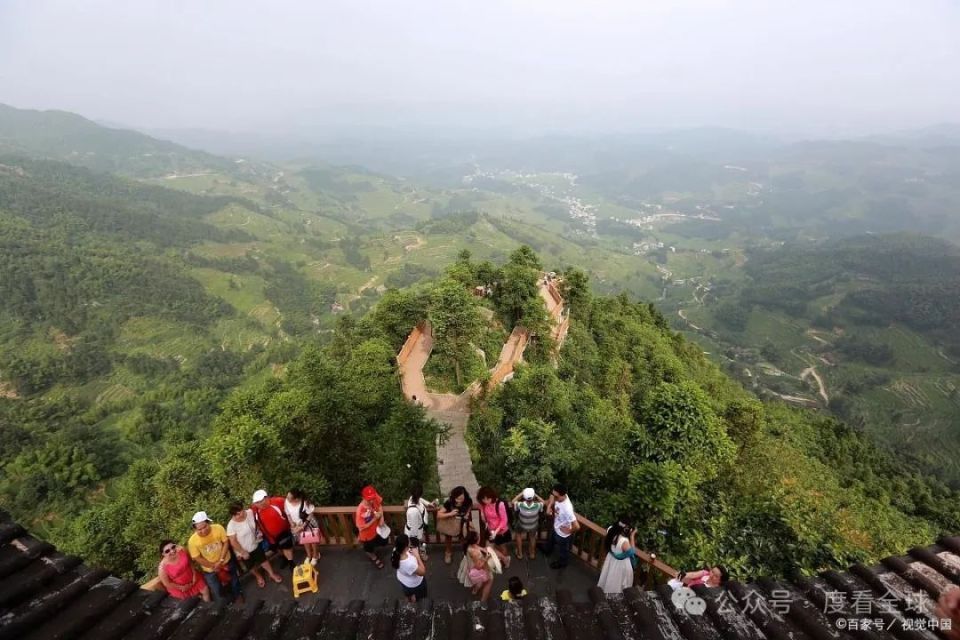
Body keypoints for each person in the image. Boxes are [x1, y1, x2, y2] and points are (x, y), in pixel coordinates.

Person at [187, 511, 242, 603]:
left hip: (226, 561)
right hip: (209, 569)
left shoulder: (218, 528)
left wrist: (221, 560)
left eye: (205, 527)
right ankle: (226, 600)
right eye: (199, 529)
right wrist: (213, 566)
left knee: (234, 579)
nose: (203, 531)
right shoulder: (192, 541)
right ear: (195, 529)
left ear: (209, 523)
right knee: (217, 588)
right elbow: (197, 558)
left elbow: (225, 542)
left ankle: (238, 595)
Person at [226, 502, 282, 587]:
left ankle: (271, 574)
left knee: (263, 559)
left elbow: (257, 521)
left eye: (241, 511)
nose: (241, 515)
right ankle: (258, 576)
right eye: (237, 514)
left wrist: (258, 531)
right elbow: (233, 541)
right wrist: (242, 552)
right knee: (250, 565)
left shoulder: (250, 513)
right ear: (233, 515)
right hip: (243, 549)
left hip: (255, 542)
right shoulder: (231, 526)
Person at [250, 489, 295, 569]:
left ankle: (291, 564)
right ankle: (285, 559)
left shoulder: (278, 501)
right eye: (257, 502)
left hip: (284, 531)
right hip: (270, 536)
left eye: (261, 501)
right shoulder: (255, 509)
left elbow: (292, 504)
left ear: (266, 498)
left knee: (286, 546)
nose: (259, 504)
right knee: (279, 548)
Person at [541, 483, 578, 569]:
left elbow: (577, 526)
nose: (554, 497)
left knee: (563, 550)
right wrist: (551, 502)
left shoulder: (567, 509)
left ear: (562, 495)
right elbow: (551, 500)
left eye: (556, 496)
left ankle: (562, 563)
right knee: (551, 541)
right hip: (556, 527)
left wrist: (569, 531)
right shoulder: (560, 497)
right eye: (553, 494)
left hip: (563, 534)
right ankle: (547, 550)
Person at [435, 486, 473, 565]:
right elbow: (438, 515)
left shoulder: (468, 501)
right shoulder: (449, 502)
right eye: (457, 499)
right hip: (451, 523)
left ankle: (466, 552)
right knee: (448, 537)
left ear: (465, 495)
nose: (459, 501)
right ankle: (448, 552)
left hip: (462, 523)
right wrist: (450, 513)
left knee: (465, 536)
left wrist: (467, 515)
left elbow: (469, 510)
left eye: (461, 498)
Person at [597, 520, 636, 594]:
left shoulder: (611, 533)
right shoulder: (623, 541)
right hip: (620, 565)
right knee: (617, 582)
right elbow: (632, 551)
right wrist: (632, 536)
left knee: (609, 578)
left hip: (611, 560)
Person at [477, 486, 511, 569]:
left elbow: (504, 520)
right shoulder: (483, 505)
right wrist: (482, 513)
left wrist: (496, 532)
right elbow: (481, 508)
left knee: (502, 547)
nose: (486, 501)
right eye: (483, 499)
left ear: (492, 496)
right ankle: (505, 559)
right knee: (489, 548)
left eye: (488, 499)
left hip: (501, 531)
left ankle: (504, 560)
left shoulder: (500, 504)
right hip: (490, 530)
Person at [285, 488, 322, 566]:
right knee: (305, 540)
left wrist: (303, 526)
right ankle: (309, 555)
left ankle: (315, 555)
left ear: (296, 499)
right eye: (287, 496)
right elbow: (288, 514)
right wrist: (292, 524)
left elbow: (310, 514)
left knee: (313, 540)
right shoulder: (287, 502)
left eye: (289, 498)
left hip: (308, 523)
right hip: (297, 524)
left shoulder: (305, 502)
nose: (287, 498)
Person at [356, 484, 389, 568]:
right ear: (363, 498)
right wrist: (375, 518)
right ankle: (374, 558)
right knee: (369, 549)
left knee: (384, 541)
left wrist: (381, 518)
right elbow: (361, 526)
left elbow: (380, 505)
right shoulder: (360, 510)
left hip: (377, 529)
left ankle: (375, 550)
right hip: (367, 534)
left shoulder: (374, 497)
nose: (371, 501)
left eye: (373, 498)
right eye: (369, 499)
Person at [391, 534, 427, 603]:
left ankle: (410, 598)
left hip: (403, 580)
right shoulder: (409, 564)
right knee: (421, 595)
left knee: (408, 592)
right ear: (406, 547)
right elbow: (423, 572)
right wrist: (417, 556)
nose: (410, 541)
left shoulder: (395, 550)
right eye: (409, 541)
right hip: (415, 584)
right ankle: (417, 600)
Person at [511, 488, 544, 560]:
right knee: (532, 537)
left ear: (524, 497)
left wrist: (521, 493)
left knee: (518, 534)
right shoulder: (538, 505)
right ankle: (532, 554)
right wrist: (536, 495)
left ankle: (520, 554)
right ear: (533, 497)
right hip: (533, 525)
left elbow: (513, 501)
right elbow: (543, 502)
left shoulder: (520, 505)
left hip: (522, 524)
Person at [404, 483, 432, 560]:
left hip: (419, 528)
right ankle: (419, 555)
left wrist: (428, 504)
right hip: (416, 532)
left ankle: (419, 552)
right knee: (417, 544)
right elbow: (414, 530)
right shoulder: (413, 511)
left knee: (419, 543)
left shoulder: (413, 498)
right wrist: (416, 538)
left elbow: (421, 499)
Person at [463, 531, 493, 601]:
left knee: (478, 583)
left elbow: (478, 547)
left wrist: (484, 550)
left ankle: (475, 590)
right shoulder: (475, 553)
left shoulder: (470, 545)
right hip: (478, 570)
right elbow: (478, 566)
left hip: (471, 567)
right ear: (475, 540)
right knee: (486, 581)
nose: (480, 537)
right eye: (478, 537)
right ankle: (481, 597)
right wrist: (487, 558)